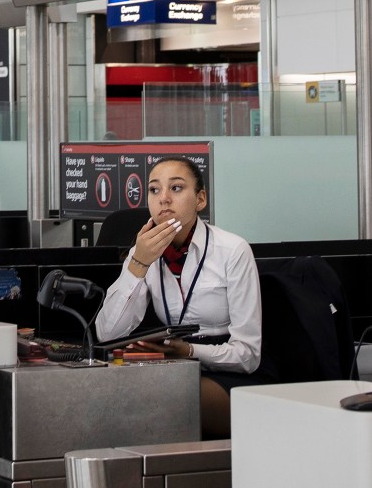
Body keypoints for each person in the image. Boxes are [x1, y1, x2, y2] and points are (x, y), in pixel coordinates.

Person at [93, 156, 262, 438]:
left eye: (177, 188)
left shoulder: (232, 250)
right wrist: (139, 264)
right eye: (155, 190)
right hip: (173, 364)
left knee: (158, 398)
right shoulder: (144, 251)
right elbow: (107, 333)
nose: (164, 200)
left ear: (201, 199)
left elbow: (249, 355)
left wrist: (190, 351)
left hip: (231, 372)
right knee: (109, 390)